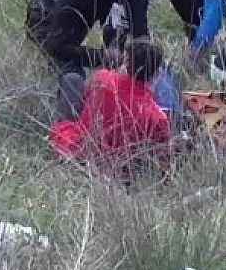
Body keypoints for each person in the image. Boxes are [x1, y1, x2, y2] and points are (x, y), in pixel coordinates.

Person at [48, 37, 175, 181]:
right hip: (121, 172)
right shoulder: (156, 117)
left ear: (126, 62)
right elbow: (164, 160)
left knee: (71, 79)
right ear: (157, 73)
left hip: (81, 153)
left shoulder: (101, 78)